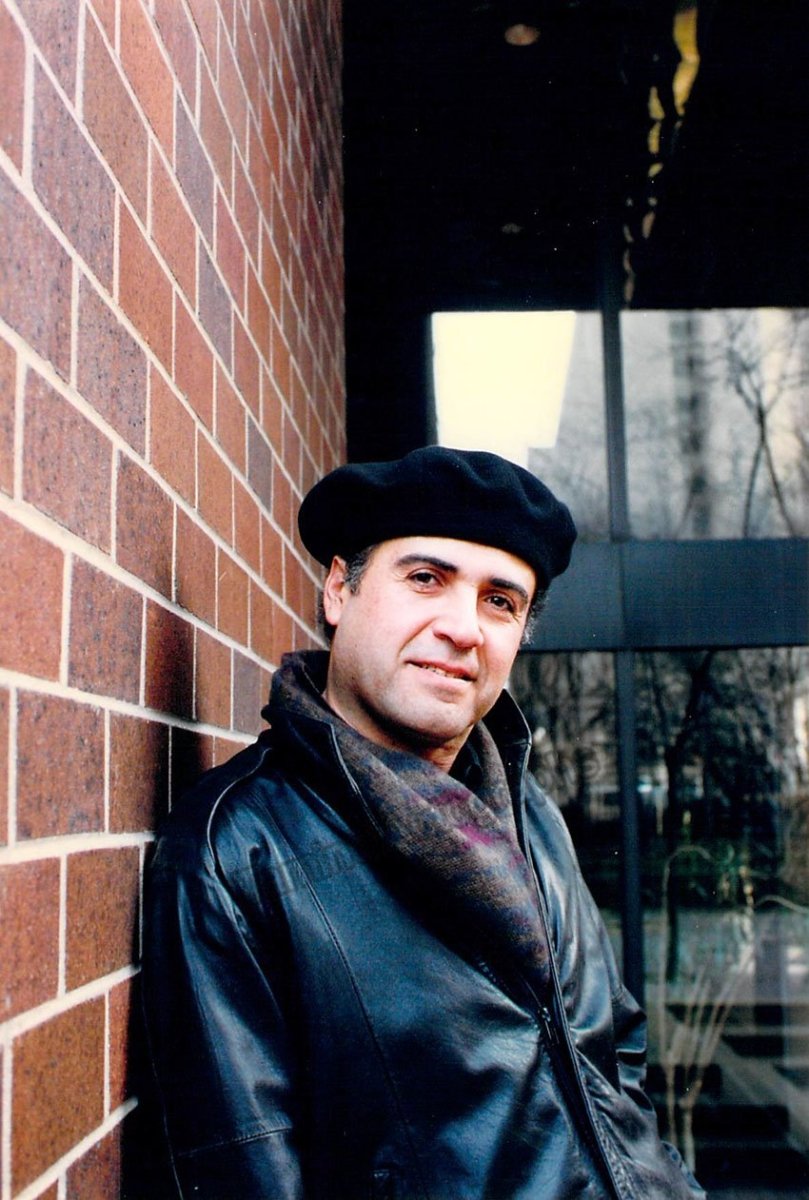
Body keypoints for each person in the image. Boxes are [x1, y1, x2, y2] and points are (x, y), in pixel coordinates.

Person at [142, 446, 705, 1199]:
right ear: (338, 589)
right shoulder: (236, 852)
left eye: (499, 601)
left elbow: (612, 1046)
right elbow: (246, 1167)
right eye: (426, 579)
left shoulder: (531, 811)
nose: (464, 628)